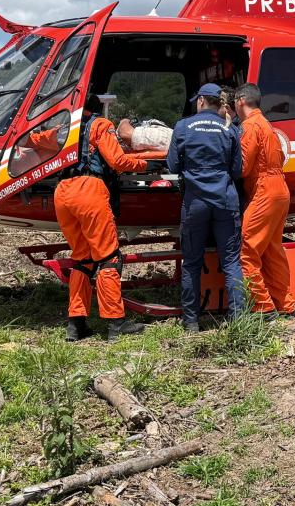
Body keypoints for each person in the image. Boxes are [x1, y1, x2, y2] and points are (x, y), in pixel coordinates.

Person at [54, 95, 150, 342]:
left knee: (82, 259)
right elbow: (117, 161)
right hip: (89, 190)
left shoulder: (62, 127)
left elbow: (35, 140)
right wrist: (143, 164)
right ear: (97, 109)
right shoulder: (100, 125)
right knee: (108, 258)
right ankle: (116, 324)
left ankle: (76, 325)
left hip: (63, 193)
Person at [167, 83, 245, 331]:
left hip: (195, 203)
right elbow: (237, 170)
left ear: (201, 101)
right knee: (232, 261)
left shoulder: (183, 126)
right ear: (217, 102)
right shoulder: (229, 128)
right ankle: (238, 320)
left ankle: (191, 322)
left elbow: (172, 166)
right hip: (225, 199)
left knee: (191, 262)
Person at [234, 83, 295, 318]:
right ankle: (285, 304)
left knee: (245, 249)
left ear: (240, 101)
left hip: (264, 190)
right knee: (272, 250)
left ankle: (263, 306)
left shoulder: (249, 126)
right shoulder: (267, 125)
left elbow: (243, 166)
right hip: (281, 190)